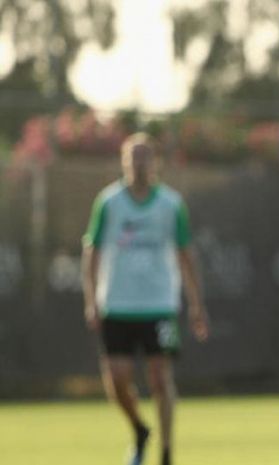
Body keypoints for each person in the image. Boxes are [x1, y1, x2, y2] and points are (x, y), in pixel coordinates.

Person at [82, 132, 209, 465]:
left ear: (155, 162)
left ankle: (166, 452)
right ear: (124, 162)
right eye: (132, 158)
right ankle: (140, 429)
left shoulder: (171, 204)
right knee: (117, 378)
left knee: (159, 377)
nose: (138, 164)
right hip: (118, 304)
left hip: (159, 305)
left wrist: (196, 303)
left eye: (144, 157)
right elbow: (91, 251)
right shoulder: (108, 202)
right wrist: (91, 298)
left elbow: (185, 254)